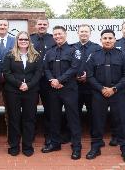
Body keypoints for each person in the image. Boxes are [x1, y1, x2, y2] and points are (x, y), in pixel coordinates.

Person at [85, 29, 125, 162]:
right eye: (105, 38)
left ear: (115, 40)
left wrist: (114, 89)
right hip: (99, 94)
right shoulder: (94, 56)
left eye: (110, 38)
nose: (107, 40)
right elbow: (89, 75)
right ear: (101, 40)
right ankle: (95, 147)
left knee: (122, 122)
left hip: (118, 94)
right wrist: (101, 89)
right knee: (97, 122)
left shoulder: (122, 55)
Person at [41, 26, 82, 160]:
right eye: (55, 34)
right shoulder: (49, 52)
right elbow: (45, 68)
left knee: (73, 118)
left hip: (69, 89)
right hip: (53, 89)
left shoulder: (74, 50)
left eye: (60, 34)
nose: (57, 36)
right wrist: (52, 80)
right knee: (54, 118)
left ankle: (76, 147)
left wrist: (59, 80)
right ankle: (55, 143)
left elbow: (75, 68)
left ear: (65, 34)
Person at [3, 31, 42, 157]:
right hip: (13, 91)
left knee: (29, 119)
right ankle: (14, 145)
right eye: (21, 39)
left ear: (29, 41)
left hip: (31, 91)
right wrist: (19, 84)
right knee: (14, 118)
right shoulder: (9, 55)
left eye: (26, 39)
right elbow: (6, 73)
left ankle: (27, 145)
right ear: (17, 41)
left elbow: (38, 73)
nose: (23, 41)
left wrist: (28, 85)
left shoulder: (36, 56)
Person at [30, 18, 56, 146]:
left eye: (44, 24)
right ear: (35, 25)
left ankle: (49, 136)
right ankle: (31, 134)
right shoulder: (29, 39)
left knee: (50, 109)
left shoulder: (53, 39)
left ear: (48, 26)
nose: (42, 26)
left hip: (48, 79)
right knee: (30, 108)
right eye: (39, 24)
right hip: (32, 79)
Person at [73, 24, 101, 121]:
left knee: (93, 112)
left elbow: (100, 66)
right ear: (78, 33)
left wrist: (88, 76)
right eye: (82, 31)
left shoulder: (97, 48)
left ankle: (94, 133)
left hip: (91, 87)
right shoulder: (72, 47)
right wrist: (74, 76)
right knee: (74, 112)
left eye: (86, 31)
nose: (84, 33)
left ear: (90, 33)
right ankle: (75, 134)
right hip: (75, 86)